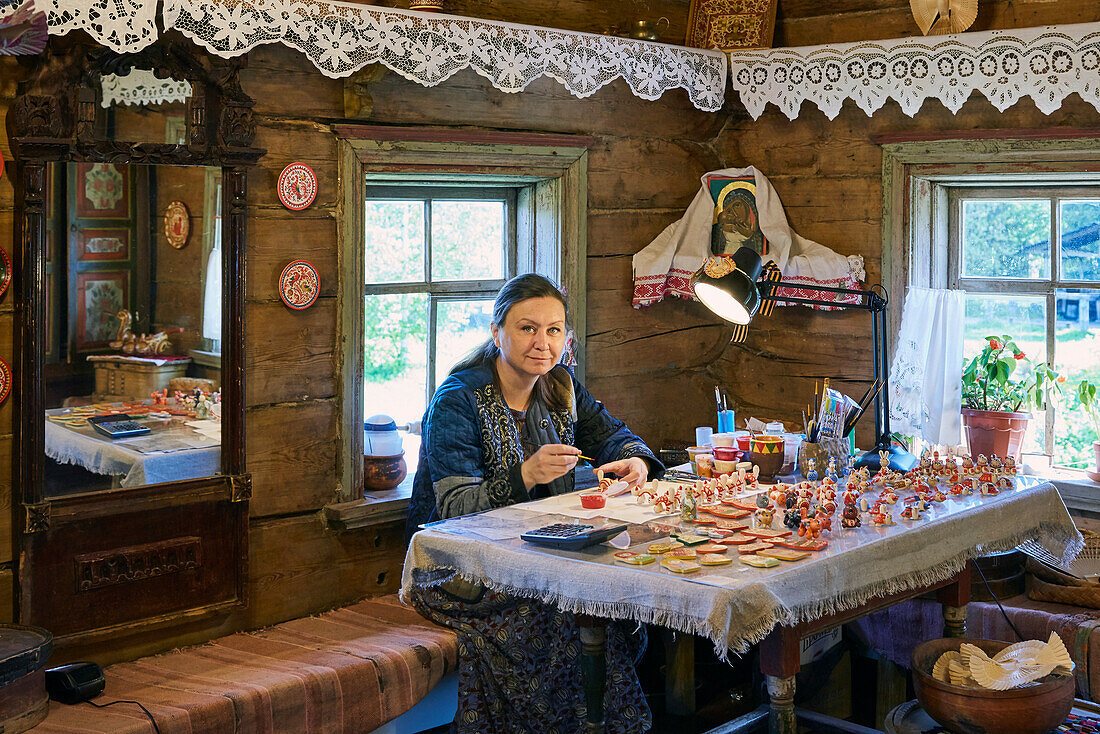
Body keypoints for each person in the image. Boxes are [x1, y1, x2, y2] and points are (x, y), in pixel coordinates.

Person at [405, 273, 662, 734]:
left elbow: (616, 436)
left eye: (554, 329)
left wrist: (636, 461)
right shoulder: (457, 401)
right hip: (458, 570)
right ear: (496, 331)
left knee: (615, 601)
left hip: (540, 555)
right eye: (527, 328)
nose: (542, 343)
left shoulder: (560, 384)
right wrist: (525, 475)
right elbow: (453, 510)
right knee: (565, 617)